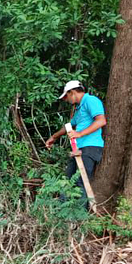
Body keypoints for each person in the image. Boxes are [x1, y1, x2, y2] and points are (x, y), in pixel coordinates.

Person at [46, 80, 106, 208]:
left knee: (81, 182)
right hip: (78, 148)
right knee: (67, 180)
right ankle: (62, 212)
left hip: (90, 148)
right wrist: (53, 137)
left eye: (66, 96)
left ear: (72, 92)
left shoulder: (91, 100)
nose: (66, 100)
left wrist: (80, 134)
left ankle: (81, 217)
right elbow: (69, 126)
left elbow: (101, 121)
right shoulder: (79, 108)